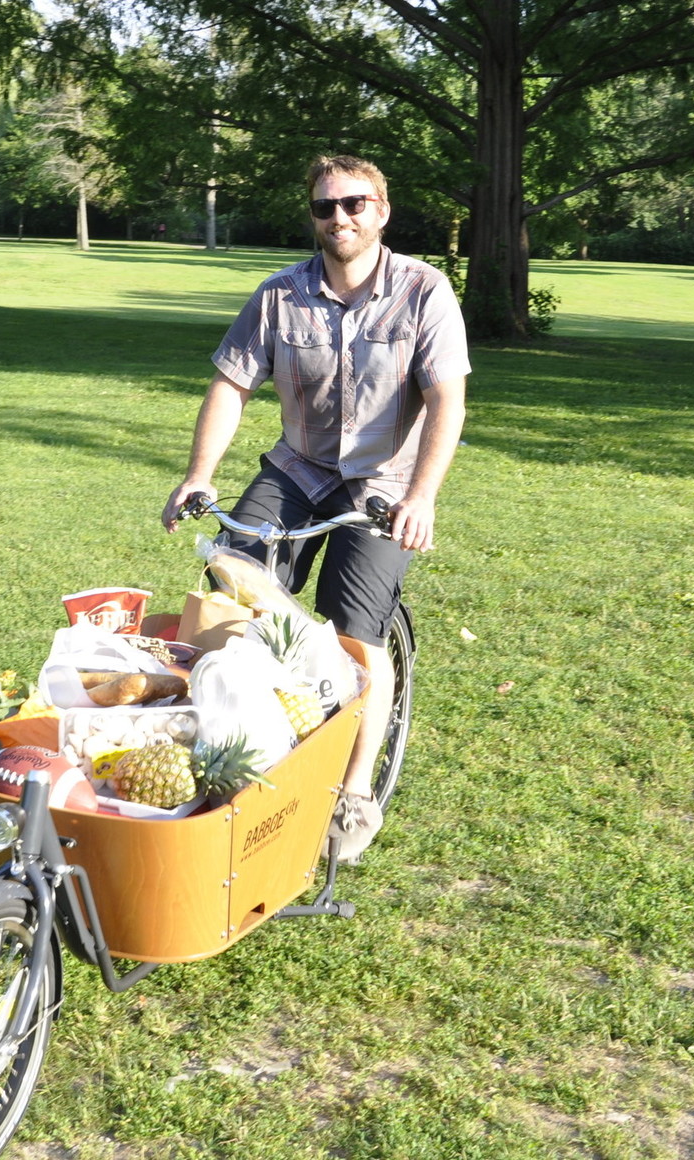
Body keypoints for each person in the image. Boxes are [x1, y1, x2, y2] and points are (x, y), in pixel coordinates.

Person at [161, 154, 469, 861]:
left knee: (357, 631)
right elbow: (230, 386)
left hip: (385, 480)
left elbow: (448, 399)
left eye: (355, 204)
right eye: (326, 207)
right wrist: (197, 474)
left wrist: (422, 497)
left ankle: (355, 790)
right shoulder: (279, 296)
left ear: (382, 210)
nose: (340, 218)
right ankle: (237, 737)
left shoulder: (424, 291)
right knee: (230, 584)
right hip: (299, 468)